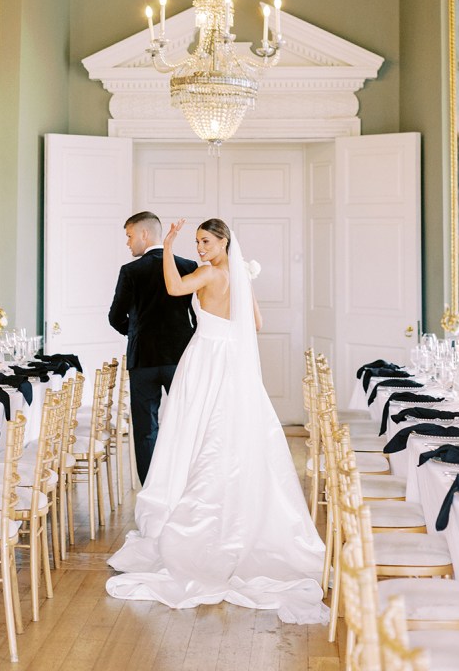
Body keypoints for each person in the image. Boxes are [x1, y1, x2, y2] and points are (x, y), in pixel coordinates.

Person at [106, 218, 328, 622]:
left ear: (224, 241)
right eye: (197, 242)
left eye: (206, 241)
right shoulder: (238, 274)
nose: (202, 248)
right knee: (229, 431)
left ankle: (197, 513)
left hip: (206, 357)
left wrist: (170, 245)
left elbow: (174, 288)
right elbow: (256, 324)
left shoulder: (207, 272)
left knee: (194, 432)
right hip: (232, 360)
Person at [108, 211, 197, 484]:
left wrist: (136, 333)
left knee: (146, 428)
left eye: (129, 235)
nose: (127, 243)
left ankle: (151, 488)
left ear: (144, 234)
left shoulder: (131, 271)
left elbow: (115, 318)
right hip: (180, 358)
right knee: (187, 423)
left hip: (143, 360)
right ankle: (187, 482)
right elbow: (199, 313)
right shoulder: (188, 265)